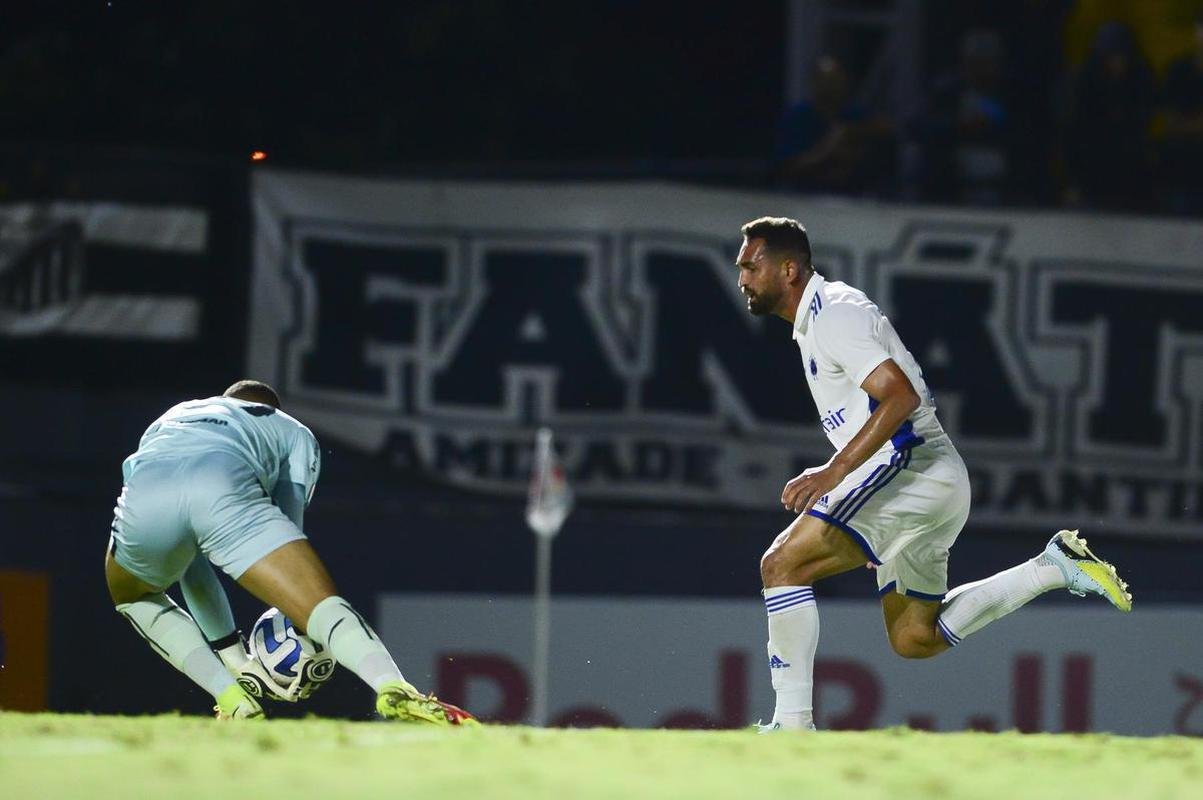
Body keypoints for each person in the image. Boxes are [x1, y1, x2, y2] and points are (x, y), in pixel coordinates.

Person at [734, 217, 1131, 732]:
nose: (741, 276)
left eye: (751, 264)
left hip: (910, 467)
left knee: (781, 565)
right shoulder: (816, 321)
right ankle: (1053, 567)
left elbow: (902, 396)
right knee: (914, 639)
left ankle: (792, 727)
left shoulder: (833, 313)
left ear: (789, 269)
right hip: (934, 480)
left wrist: (836, 469)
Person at [105, 379, 476, 724]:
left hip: (147, 492)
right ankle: (393, 688)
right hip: (219, 480)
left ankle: (232, 699)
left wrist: (234, 656)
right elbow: (288, 527)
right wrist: (296, 615)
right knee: (322, 607)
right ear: (272, 409)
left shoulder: (175, 415)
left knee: (135, 596)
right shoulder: (292, 430)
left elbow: (190, 567)